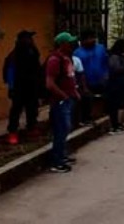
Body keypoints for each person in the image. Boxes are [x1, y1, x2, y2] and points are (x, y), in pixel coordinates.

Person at [45, 32, 80, 173]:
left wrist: (74, 92)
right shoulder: (54, 60)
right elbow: (50, 83)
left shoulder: (66, 58)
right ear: (62, 44)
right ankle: (57, 162)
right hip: (60, 101)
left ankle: (62, 155)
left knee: (66, 128)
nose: (72, 45)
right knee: (61, 129)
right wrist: (63, 96)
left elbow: (70, 77)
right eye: (69, 42)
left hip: (68, 99)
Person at [3, 30, 41, 145]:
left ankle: (31, 128)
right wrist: (11, 87)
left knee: (32, 109)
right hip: (18, 88)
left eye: (30, 38)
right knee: (16, 110)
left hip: (32, 87)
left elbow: (37, 69)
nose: (30, 40)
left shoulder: (33, 52)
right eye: (27, 38)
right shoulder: (14, 55)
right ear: (21, 40)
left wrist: (39, 85)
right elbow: (10, 72)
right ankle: (12, 132)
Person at [74, 29, 110, 124]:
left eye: (93, 37)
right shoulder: (77, 53)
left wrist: (106, 75)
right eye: (89, 38)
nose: (93, 40)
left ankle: (104, 113)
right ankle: (86, 118)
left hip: (101, 80)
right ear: (83, 40)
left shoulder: (101, 48)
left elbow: (106, 62)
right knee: (87, 99)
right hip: (86, 82)